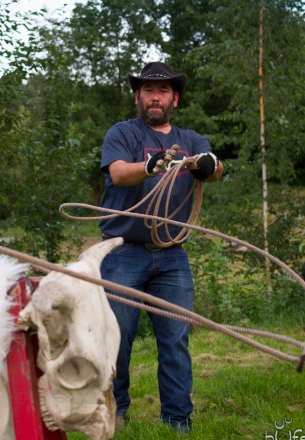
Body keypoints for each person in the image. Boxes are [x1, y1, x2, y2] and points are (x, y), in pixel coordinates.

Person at [98, 61, 224, 433]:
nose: (156, 97)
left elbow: (216, 168)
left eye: (164, 91)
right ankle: (115, 413)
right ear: (138, 97)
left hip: (172, 256)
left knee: (175, 340)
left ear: (175, 99)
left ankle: (177, 421)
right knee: (117, 340)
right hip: (123, 252)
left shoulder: (191, 140)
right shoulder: (122, 133)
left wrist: (209, 165)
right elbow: (119, 172)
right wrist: (150, 165)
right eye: (149, 90)